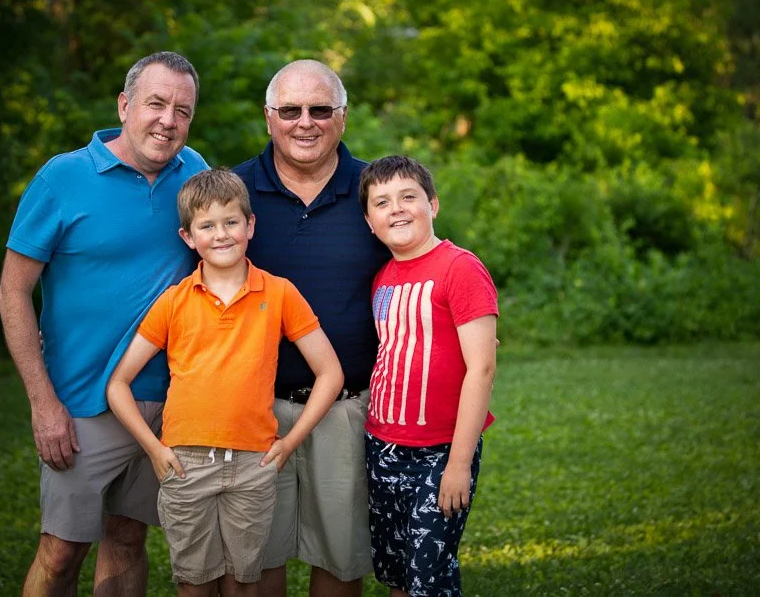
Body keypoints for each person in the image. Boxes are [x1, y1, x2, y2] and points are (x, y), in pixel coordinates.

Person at [0, 51, 209, 596]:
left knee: (127, 537)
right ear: (124, 105)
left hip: (165, 403)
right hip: (81, 402)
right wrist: (43, 404)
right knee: (61, 550)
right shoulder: (63, 177)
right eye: (156, 104)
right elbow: (13, 291)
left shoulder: (195, 174)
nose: (167, 120)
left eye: (181, 110)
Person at [105, 168, 345, 596]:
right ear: (188, 237)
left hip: (253, 464)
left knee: (244, 582)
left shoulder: (279, 293)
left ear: (250, 226)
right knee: (194, 584)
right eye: (207, 226)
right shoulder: (174, 300)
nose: (221, 234)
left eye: (231, 222)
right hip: (185, 463)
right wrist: (155, 449)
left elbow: (331, 373)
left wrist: (289, 443)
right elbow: (118, 383)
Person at [233, 59, 390, 597]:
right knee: (252, 563)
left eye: (320, 109)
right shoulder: (231, 192)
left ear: (342, 118)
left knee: (341, 567)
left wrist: (467, 325)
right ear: (269, 117)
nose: (306, 122)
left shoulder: (377, 189)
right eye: (291, 110)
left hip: (347, 409)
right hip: (251, 410)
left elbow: (421, 263)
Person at [357, 155, 498, 597]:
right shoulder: (382, 277)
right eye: (382, 202)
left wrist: (458, 463)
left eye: (408, 197)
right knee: (397, 572)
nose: (396, 208)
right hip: (382, 444)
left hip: (440, 452)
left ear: (432, 204)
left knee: (429, 577)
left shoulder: (460, 267)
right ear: (369, 221)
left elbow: (483, 366)